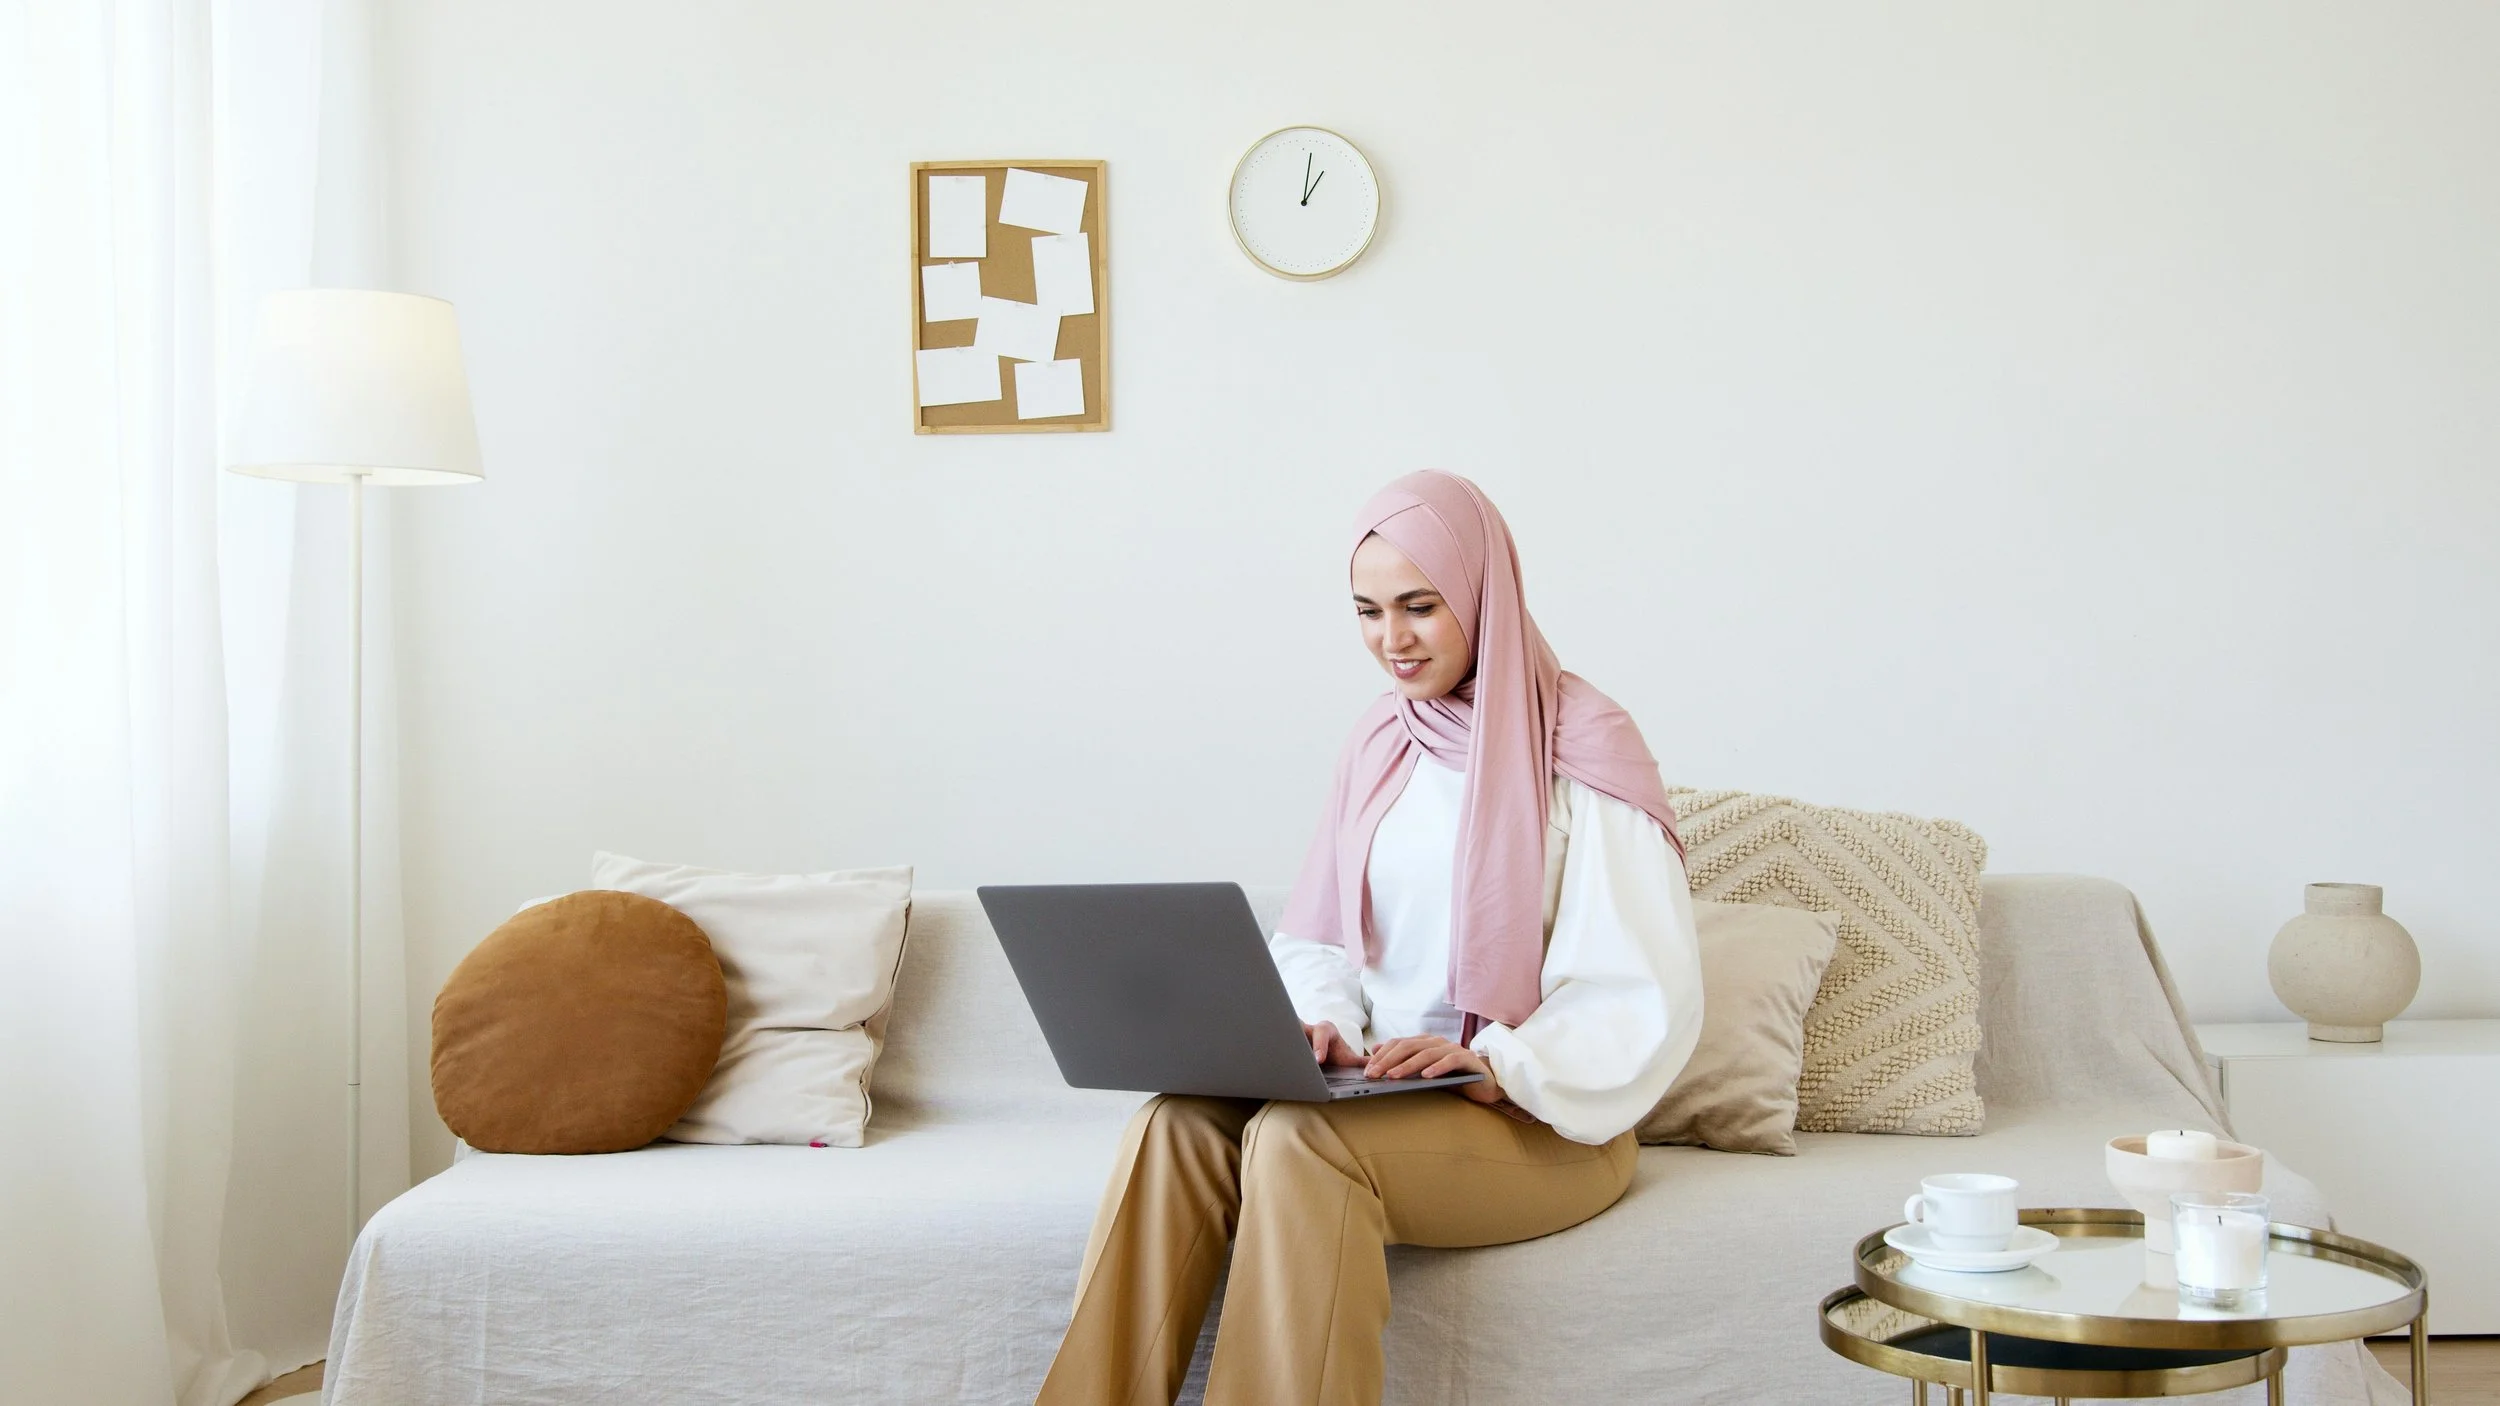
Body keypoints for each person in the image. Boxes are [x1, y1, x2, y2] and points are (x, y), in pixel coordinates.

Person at [1035, 470, 1704, 1406]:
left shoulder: (1584, 747)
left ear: (1481, 593)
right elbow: (1318, 936)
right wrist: (1317, 1024)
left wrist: (1492, 1061)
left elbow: (1640, 994)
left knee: (1304, 1146)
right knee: (1174, 1123)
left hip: (1542, 1118)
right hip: (1377, 1093)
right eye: (1367, 611)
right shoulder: (1382, 741)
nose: (1391, 640)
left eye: (1420, 607)